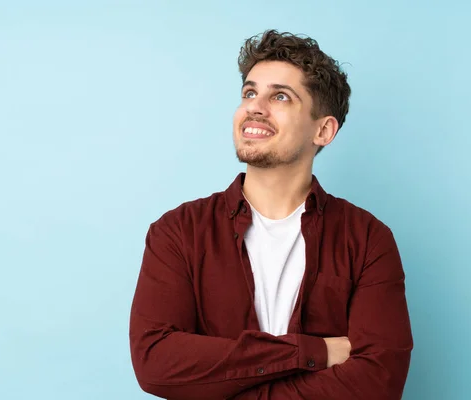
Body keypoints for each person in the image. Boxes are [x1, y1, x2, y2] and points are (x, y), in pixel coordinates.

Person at [129, 29, 413, 400]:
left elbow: (379, 381)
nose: (255, 107)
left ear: (323, 130)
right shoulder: (178, 231)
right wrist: (314, 352)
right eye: (249, 92)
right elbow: (155, 363)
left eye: (280, 96)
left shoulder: (366, 238)